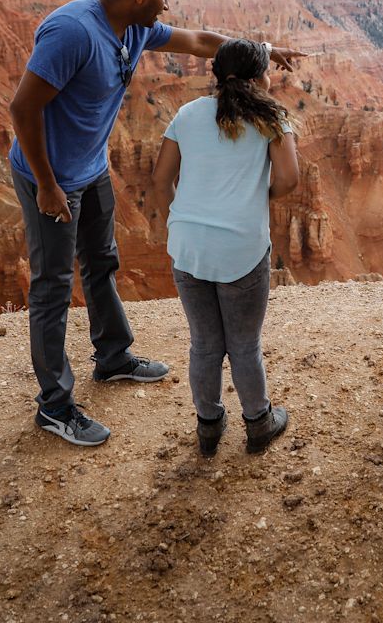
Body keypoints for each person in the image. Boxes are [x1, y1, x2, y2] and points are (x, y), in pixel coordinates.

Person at [8, 0, 305, 447]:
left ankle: (113, 356)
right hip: (51, 177)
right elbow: (22, 108)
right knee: (53, 287)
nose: (169, 2)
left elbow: (195, 40)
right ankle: (55, 406)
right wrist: (48, 185)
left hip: (91, 169)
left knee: (102, 262)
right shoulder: (73, 33)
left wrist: (262, 51)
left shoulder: (136, 26)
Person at [148, 39, 298, 456]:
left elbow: (161, 182)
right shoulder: (271, 118)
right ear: (258, 77)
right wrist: (254, 197)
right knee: (244, 344)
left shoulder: (186, 114)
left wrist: (177, 225)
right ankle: (258, 422)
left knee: (205, 343)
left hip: (188, 247)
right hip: (241, 249)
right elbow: (289, 179)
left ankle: (209, 427)